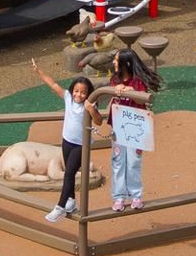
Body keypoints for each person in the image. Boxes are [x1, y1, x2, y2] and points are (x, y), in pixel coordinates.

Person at [31, 60, 96, 223]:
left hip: (81, 145)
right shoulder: (68, 98)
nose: (78, 95)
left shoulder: (89, 104)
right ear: (72, 90)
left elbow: (99, 122)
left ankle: (60, 207)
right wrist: (40, 72)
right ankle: (71, 201)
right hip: (67, 141)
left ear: (88, 93)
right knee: (69, 172)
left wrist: (91, 109)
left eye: (83, 92)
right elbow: (53, 84)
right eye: (76, 91)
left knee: (68, 173)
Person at [102, 50, 161, 211]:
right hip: (119, 127)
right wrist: (118, 88)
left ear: (125, 64)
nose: (113, 63)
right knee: (118, 161)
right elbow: (113, 91)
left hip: (136, 129)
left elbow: (142, 96)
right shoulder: (115, 79)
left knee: (134, 162)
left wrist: (131, 92)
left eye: (116, 60)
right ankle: (119, 197)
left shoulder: (137, 81)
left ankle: (136, 196)